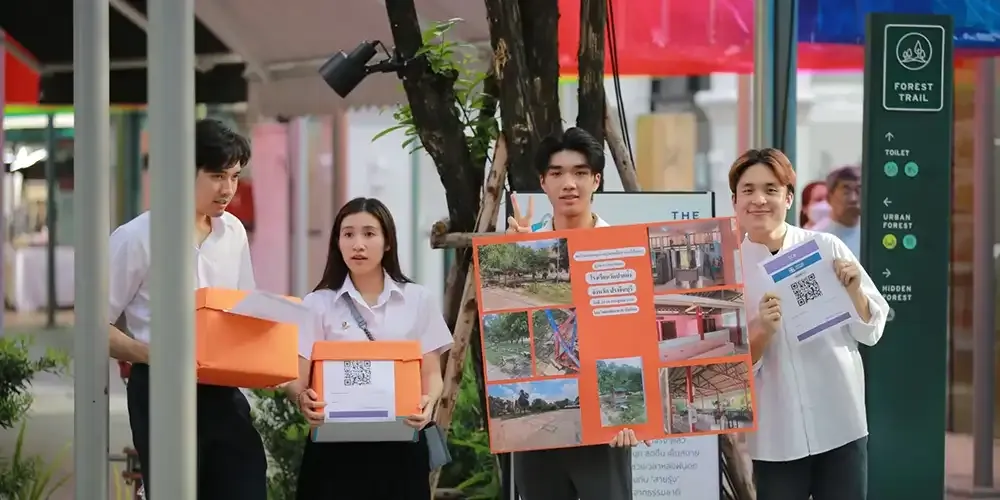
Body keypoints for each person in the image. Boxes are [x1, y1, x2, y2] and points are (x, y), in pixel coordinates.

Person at [108, 119, 266, 499]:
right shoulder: (136, 238)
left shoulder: (233, 233)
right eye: (217, 176)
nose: (228, 189)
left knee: (245, 481)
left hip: (223, 389)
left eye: (234, 176)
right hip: (161, 389)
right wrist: (154, 355)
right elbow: (91, 326)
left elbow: (247, 310)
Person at [729, 148, 888, 500]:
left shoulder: (825, 248)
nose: (759, 199)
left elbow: (871, 330)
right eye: (748, 190)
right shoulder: (730, 273)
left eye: (771, 189)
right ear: (735, 201)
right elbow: (729, 372)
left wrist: (855, 291)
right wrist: (761, 332)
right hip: (777, 436)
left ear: (788, 198)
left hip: (841, 421)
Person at [506, 127, 646, 500]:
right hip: (540, 423)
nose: (569, 183)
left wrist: (635, 413)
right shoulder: (523, 247)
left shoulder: (624, 249)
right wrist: (515, 256)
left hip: (606, 423)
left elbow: (641, 336)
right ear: (543, 182)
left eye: (580, 173)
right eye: (557, 173)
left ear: (596, 180)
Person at [289, 197, 452, 500]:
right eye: (348, 234)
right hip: (334, 452)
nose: (358, 245)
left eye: (369, 233)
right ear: (337, 242)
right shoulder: (317, 304)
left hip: (401, 448)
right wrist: (302, 399)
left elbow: (432, 375)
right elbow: (297, 376)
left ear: (387, 242)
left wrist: (427, 403)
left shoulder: (418, 300)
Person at [811, 166, 862, 255]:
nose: (853, 198)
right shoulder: (815, 237)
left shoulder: (873, 235)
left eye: (858, 191)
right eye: (846, 192)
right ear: (829, 198)